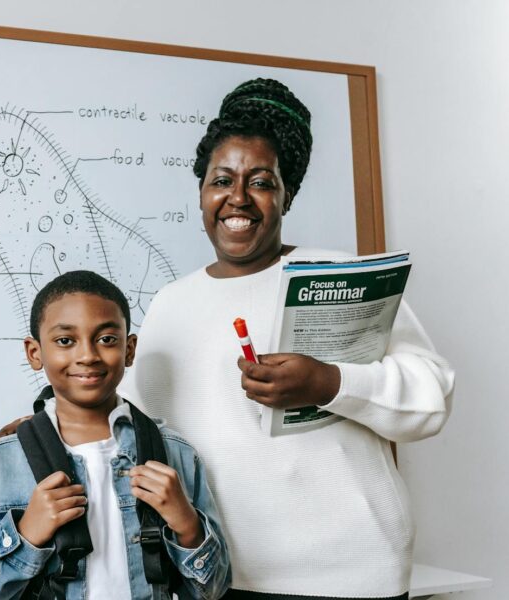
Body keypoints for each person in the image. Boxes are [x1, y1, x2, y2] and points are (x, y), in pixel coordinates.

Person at [119, 78, 455, 599]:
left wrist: (326, 383)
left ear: (287, 195)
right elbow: (136, 429)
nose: (237, 198)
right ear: (201, 192)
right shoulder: (169, 303)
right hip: (216, 573)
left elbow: (432, 400)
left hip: (351, 575)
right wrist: (46, 425)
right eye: (221, 180)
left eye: (261, 181)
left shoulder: (340, 278)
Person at [0, 270, 230, 600]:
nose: (88, 355)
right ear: (35, 353)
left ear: (129, 349)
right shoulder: (2, 463)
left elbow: (214, 590)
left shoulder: (175, 454)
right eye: (65, 341)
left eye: (106, 339)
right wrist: (25, 536)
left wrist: (188, 526)